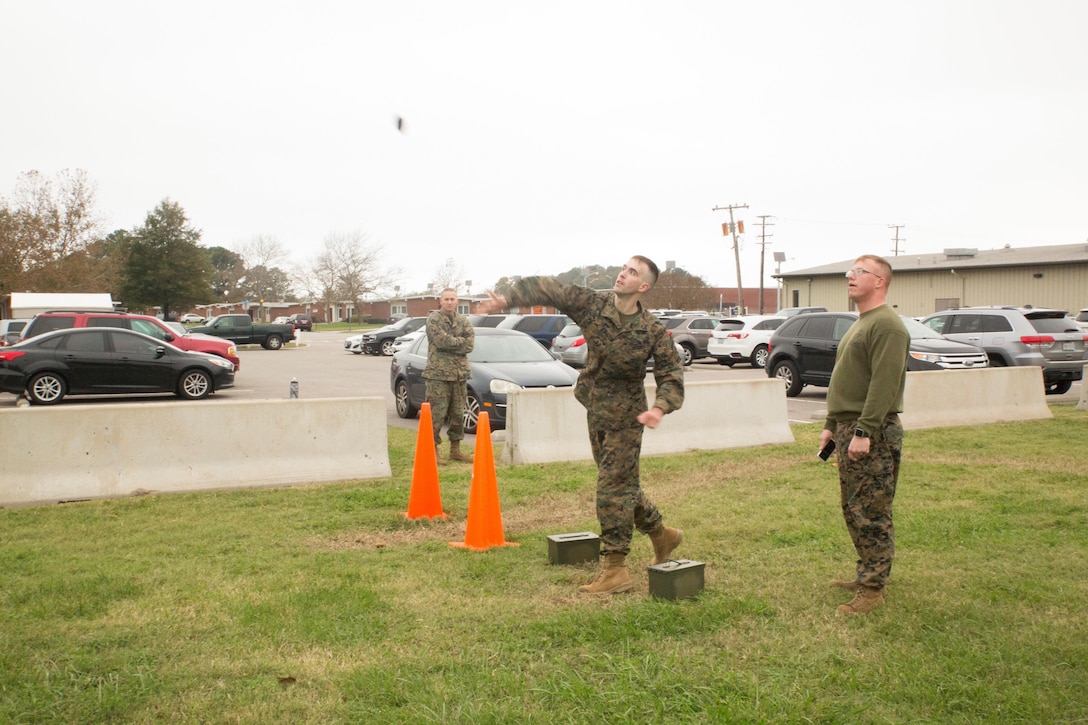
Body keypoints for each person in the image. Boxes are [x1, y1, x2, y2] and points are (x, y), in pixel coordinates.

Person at [478, 256, 685, 595]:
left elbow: (671, 375)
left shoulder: (651, 330)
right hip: (595, 408)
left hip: (627, 417)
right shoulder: (593, 304)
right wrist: (508, 298)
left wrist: (660, 409)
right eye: (624, 268)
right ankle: (663, 535)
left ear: (643, 286)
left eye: (632, 273)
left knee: (611, 488)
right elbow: (552, 289)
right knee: (621, 486)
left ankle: (615, 568)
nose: (622, 275)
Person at [819, 254, 910, 615]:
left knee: (871, 510)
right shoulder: (862, 322)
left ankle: (873, 589)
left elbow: (883, 386)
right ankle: (866, 573)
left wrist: (864, 431)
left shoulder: (888, 326)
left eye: (860, 272)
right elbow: (847, 378)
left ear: (880, 281)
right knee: (853, 507)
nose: (850, 277)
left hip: (871, 429)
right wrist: (831, 425)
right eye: (850, 272)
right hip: (848, 426)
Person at [425, 288, 475, 464]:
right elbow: (441, 341)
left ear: (457, 301)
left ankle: (455, 450)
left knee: (457, 414)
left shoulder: (463, 321)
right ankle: (433, 450)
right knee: (436, 415)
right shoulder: (434, 319)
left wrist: (454, 342)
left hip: (459, 374)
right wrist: (459, 342)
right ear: (440, 300)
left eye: (452, 299)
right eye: (446, 299)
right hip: (438, 375)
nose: (449, 302)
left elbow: (470, 345)